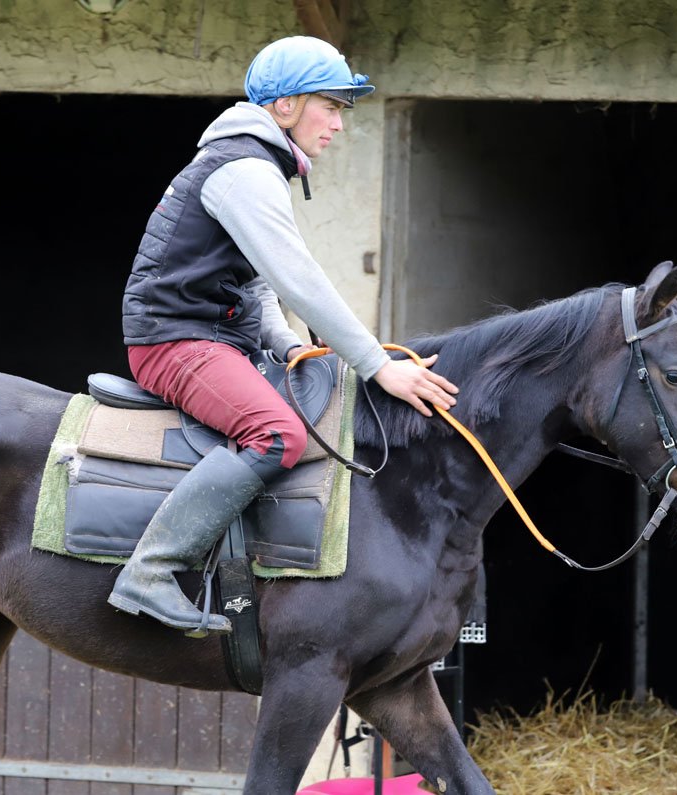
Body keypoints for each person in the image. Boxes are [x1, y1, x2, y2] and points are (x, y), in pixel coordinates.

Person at [108, 35, 459, 636]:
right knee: (277, 435)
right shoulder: (245, 170)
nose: (339, 124)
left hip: (212, 340)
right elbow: (299, 279)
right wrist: (378, 366)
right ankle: (152, 569)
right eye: (332, 106)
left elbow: (259, 283)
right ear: (287, 105)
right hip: (174, 343)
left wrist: (288, 343)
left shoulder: (255, 163)